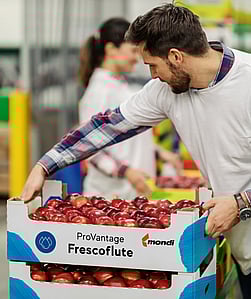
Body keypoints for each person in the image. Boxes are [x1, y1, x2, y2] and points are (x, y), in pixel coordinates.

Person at [21, 3, 251, 297]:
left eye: (153, 65)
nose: (152, 75)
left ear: (176, 57)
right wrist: (45, 165)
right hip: (243, 250)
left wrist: (242, 202)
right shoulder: (166, 92)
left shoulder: (246, 83)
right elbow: (106, 126)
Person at [78, 17, 182, 199]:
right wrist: (127, 172)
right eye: (133, 51)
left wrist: (157, 152)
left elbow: (124, 137)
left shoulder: (119, 85)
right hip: (108, 199)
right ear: (111, 49)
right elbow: (88, 147)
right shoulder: (99, 91)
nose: (137, 58)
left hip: (129, 195)